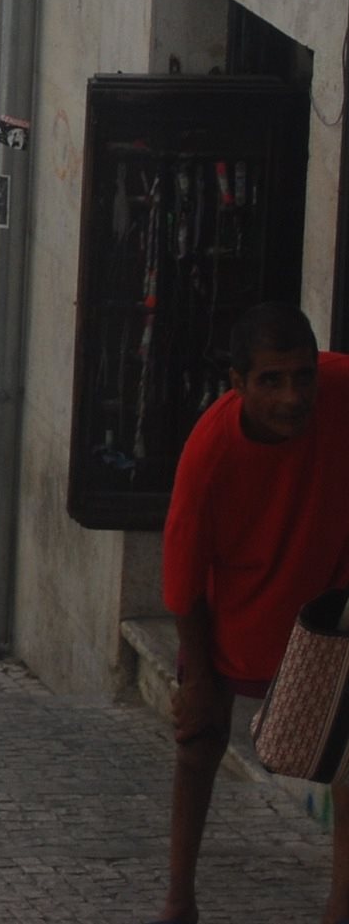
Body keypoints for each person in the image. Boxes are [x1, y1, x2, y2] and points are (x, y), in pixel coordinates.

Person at [158, 300, 349, 924]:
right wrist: (200, 682)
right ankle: (178, 899)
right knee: (199, 742)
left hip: (325, 599)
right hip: (236, 614)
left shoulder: (340, 387)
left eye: (302, 376)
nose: (292, 396)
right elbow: (184, 583)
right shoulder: (208, 452)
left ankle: (340, 905)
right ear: (237, 384)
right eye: (271, 380)